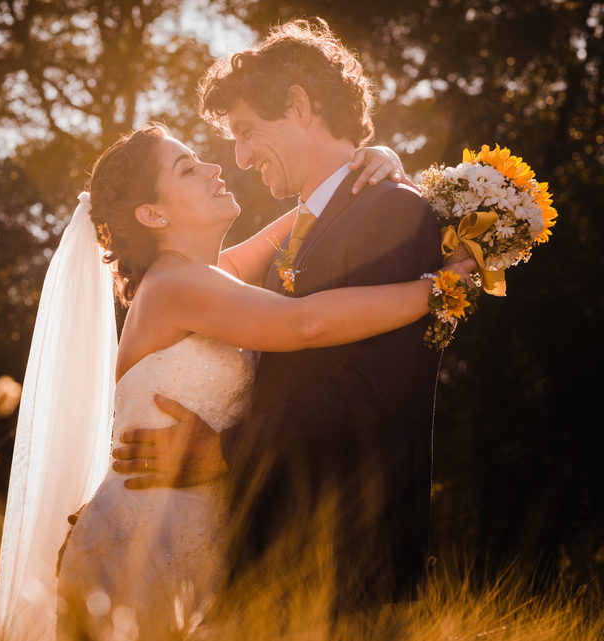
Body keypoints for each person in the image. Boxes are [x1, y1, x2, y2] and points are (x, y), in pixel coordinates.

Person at [0, 125, 474, 638]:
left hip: (195, 539)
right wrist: (441, 289)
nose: (215, 167)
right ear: (153, 215)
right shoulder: (177, 286)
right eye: (187, 168)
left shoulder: (204, 276)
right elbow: (305, 323)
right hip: (142, 543)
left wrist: (367, 165)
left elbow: (309, 216)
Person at [112, 18, 446, 619]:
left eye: (244, 131)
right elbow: (304, 325)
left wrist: (227, 453)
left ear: (297, 104)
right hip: (249, 555)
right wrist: (440, 289)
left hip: (348, 560)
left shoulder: (389, 211)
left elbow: (370, 391)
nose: (234, 158)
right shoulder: (200, 277)